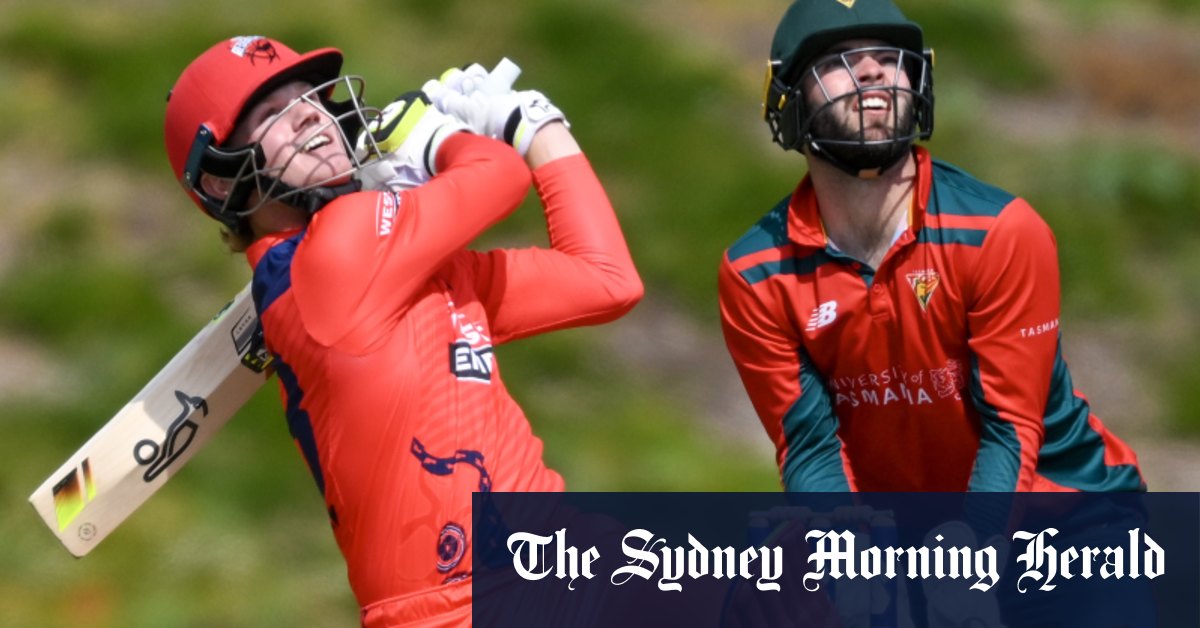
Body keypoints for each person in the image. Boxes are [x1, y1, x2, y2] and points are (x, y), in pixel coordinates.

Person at [163, 35, 642, 626]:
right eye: (273, 115)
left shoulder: (385, 264)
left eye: (309, 97)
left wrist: (540, 123)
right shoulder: (337, 254)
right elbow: (499, 176)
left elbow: (607, 280)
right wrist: (441, 135)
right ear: (219, 181)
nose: (310, 112)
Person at [718, 0, 1146, 494]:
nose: (873, 70)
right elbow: (811, 453)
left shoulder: (1001, 232)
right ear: (787, 100)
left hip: (1068, 507)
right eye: (837, 61)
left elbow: (1011, 435)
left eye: (889, 56)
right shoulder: (755, 272)